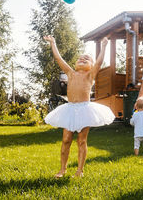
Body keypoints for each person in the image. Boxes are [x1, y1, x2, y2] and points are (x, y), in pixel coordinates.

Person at [43, 35, 115, 178]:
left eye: (86, 59)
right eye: (80, 58)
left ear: (91, 65)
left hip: (84, 109)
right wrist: (53, 42)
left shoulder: (90, 75)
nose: (82, 59)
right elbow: (59, 59)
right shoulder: (70, 73)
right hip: (69, 109)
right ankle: (62, 170)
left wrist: (104, 46)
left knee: (81, 140)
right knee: (66, 139)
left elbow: (99, 62)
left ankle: (79, 171)